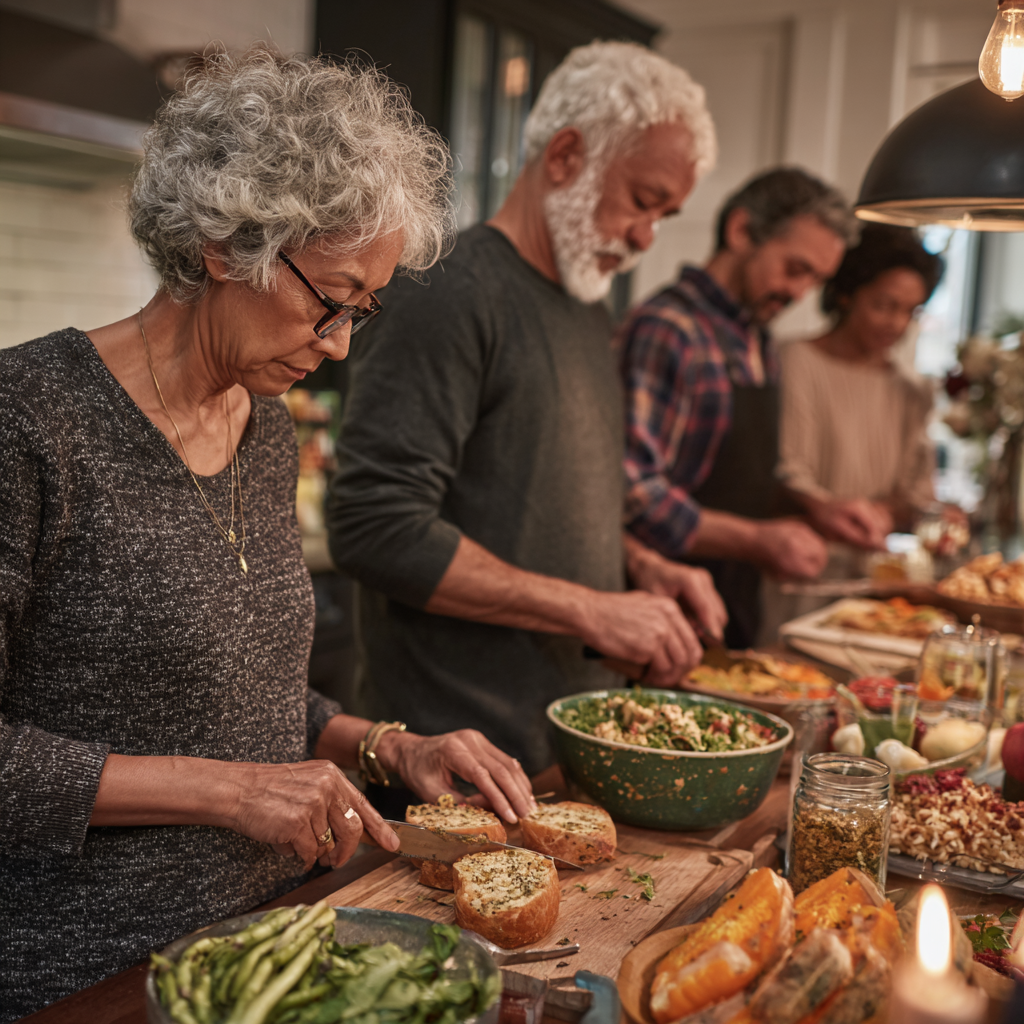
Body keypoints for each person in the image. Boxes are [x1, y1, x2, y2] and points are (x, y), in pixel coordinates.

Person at [0, 51, 536, 1021]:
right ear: (223, 243)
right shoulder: (28, 420)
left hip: (273, 943)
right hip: (92, 978)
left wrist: (384, 744)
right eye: (327, 299)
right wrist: (229, 792)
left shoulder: (264, 421)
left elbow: (239, 694)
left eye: (358, 313)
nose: (336, 343)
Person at [327, 41, 725, 788]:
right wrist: (591, 610)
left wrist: (639, 566)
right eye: (643, 201)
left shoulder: (584, 302)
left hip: (558, 746)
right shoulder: (448, 291)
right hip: (449, 765)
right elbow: (374, 527)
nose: (647, 238)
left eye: (664, 215)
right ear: (568, 156)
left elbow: (525, 498)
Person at [618, 168, 859, 648]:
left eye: (816, 279)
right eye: (795, 269)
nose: (799, 293)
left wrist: (815, 509)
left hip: (734, 608)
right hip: (663, 615)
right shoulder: (668, 330)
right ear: (741, 230)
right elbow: (634, 495)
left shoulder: (758, 338)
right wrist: (756, 540)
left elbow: (740, 478)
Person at [777, 222, 944, 546]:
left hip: (879, 567)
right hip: (802, 557)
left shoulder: (911, 389)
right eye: (884, 305)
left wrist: (924, 513)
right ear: (846, 295)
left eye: (911, 311)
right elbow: (787, 473)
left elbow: (917, 492)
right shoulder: (794, 361)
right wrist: (832, 510)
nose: (896, 323)